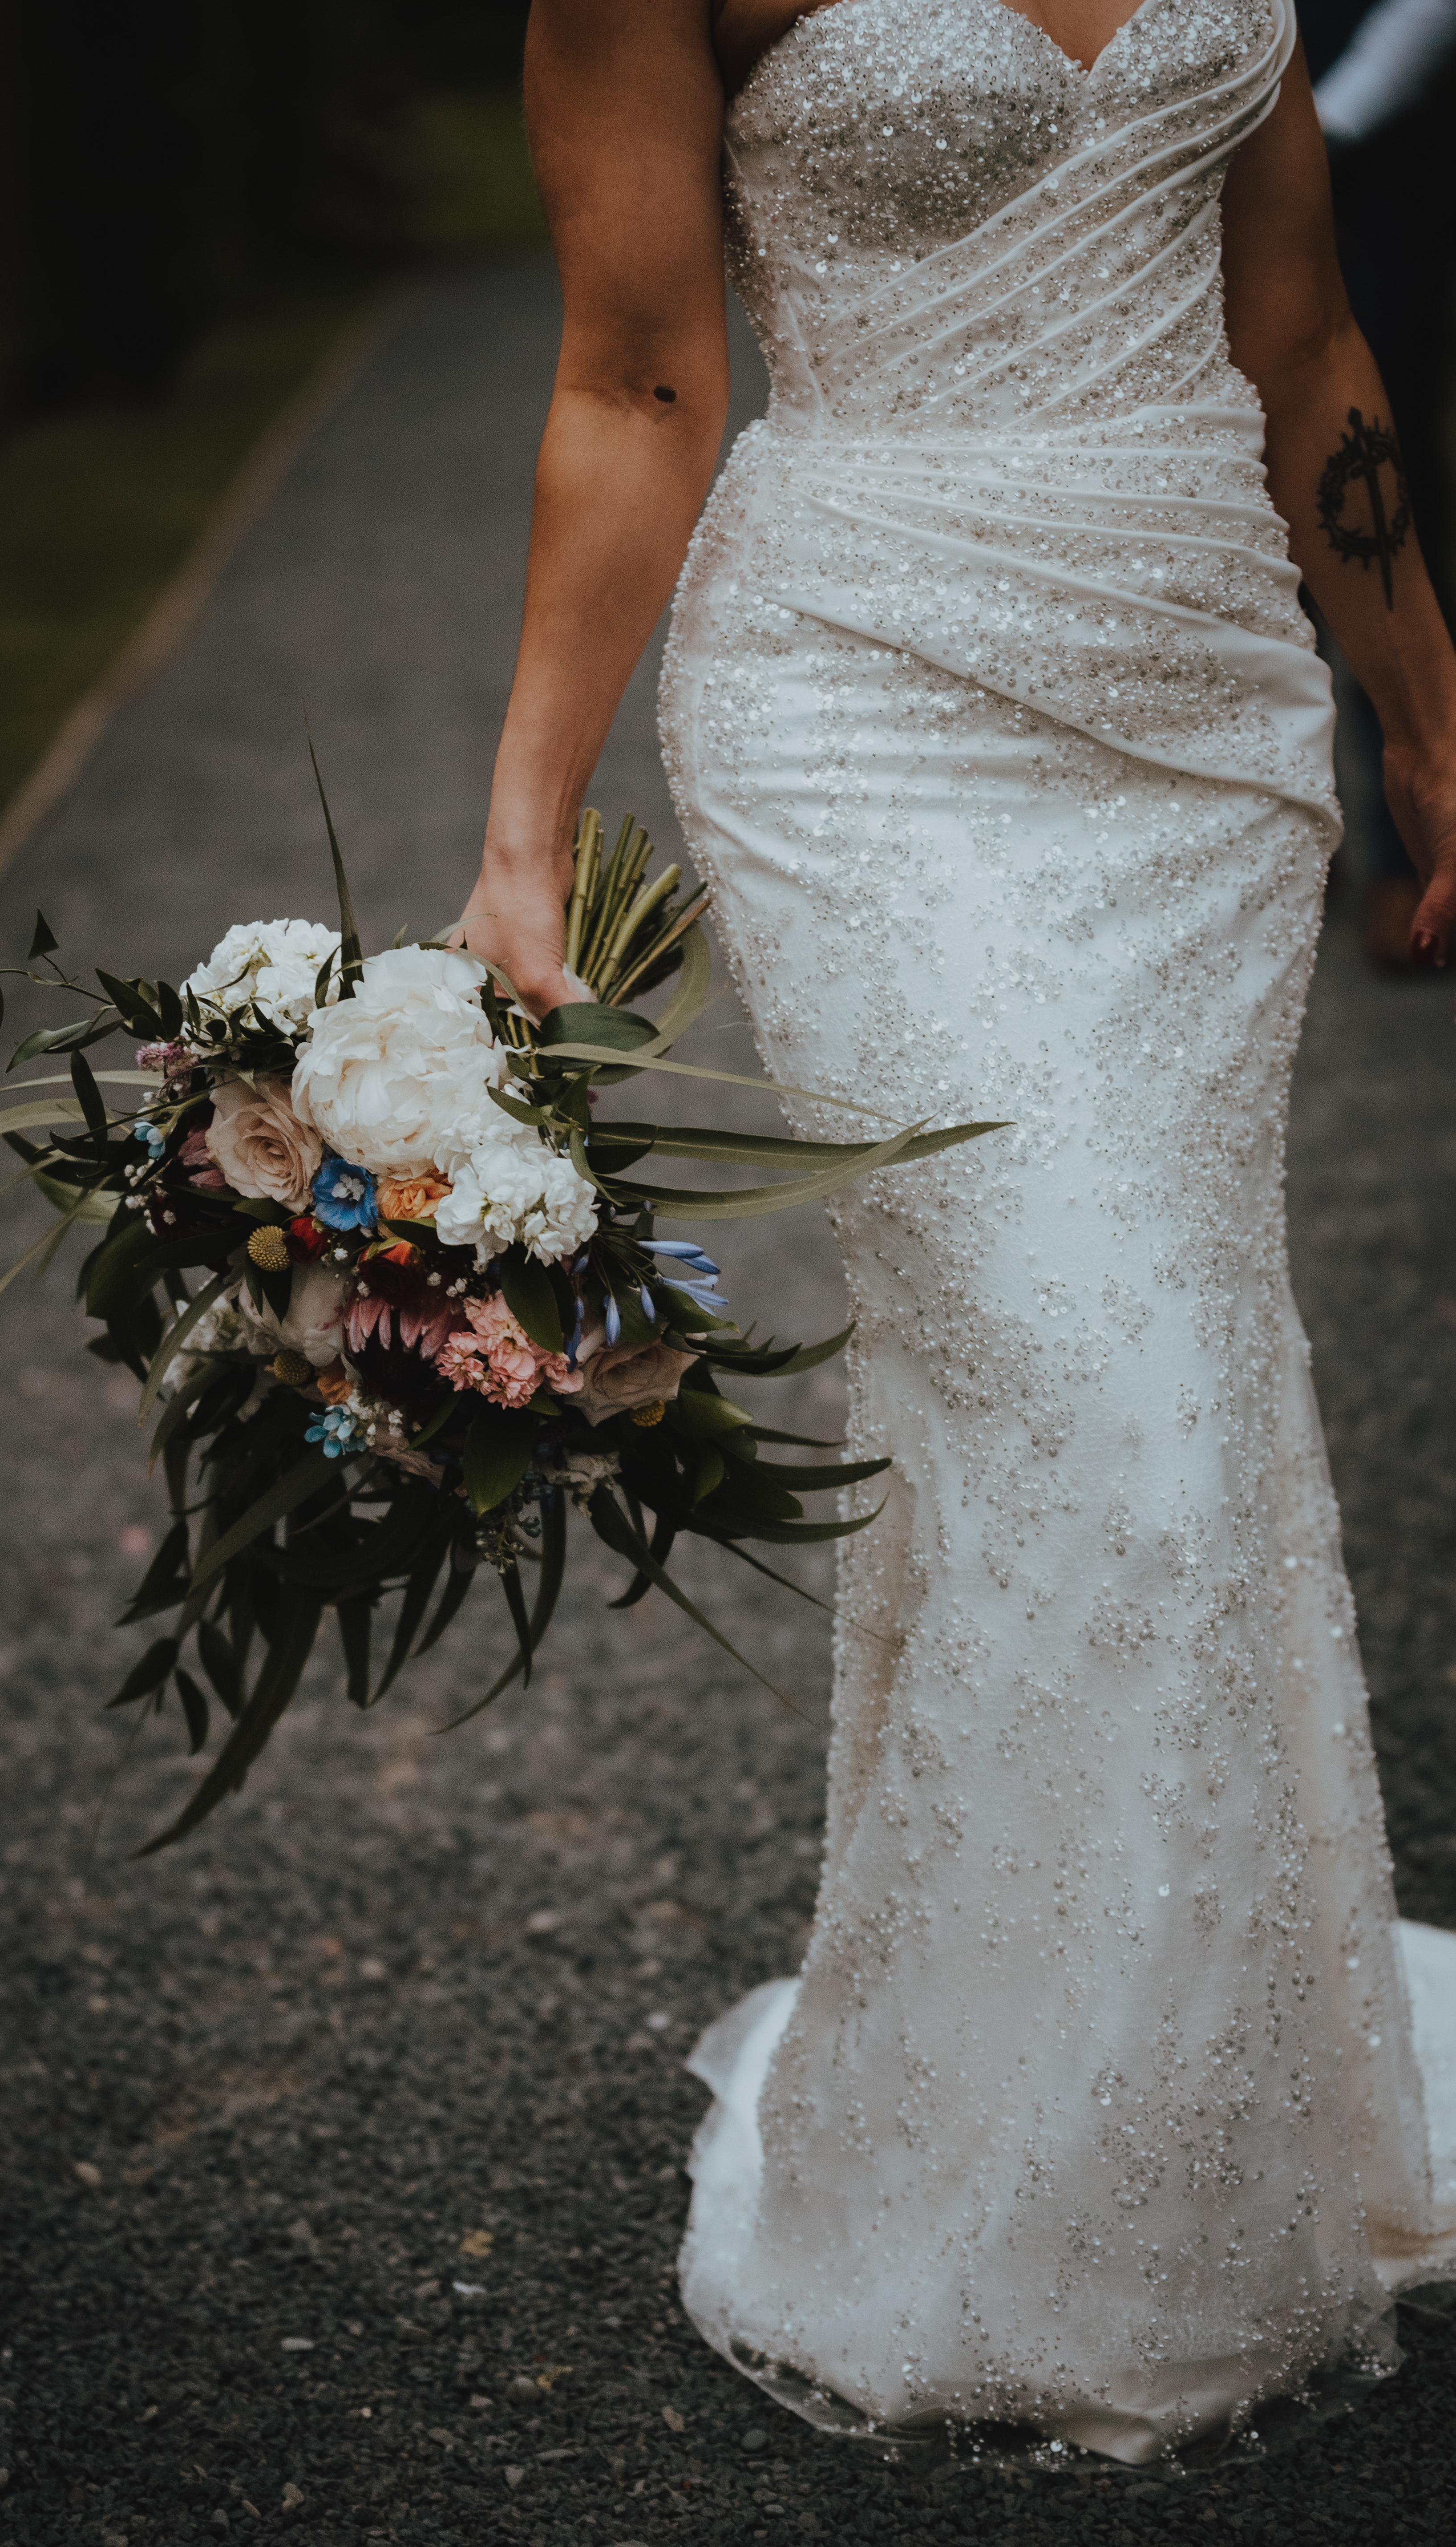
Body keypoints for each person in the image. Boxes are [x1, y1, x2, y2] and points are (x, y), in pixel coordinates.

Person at [460, 0, 1456, 2464]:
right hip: (861, 702)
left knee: (1165, 1384)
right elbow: (635, 379)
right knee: (1086, 1387)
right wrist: (518, 831)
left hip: (1199, 708)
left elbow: (1294, 316)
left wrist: (1417, 691)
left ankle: (1206, 2076)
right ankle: (1002, 2182)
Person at [1304, 0, 1456, 964]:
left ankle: (1408, 821)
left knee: (1373, 468)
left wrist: (1332, 121)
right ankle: (1291, 796)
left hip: (1376, 151)